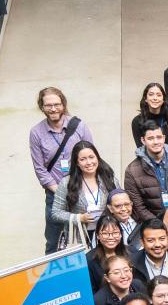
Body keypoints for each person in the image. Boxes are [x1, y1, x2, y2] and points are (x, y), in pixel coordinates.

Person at [31, 88, 97, 251]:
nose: (53, 109)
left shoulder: (79, 126)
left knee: (90, 238)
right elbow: (40, 169)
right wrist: (61, 191)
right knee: (55, 242)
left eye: (57, 104)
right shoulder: (36, 133)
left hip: (83, 189)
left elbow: (92, 157)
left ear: (63, 104)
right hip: (55, 194)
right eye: (48, 105)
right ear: (42, 107)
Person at [49, 141, 116, 249]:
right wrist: (79, 217)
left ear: (97, 158)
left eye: (91, 157)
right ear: (77, 163)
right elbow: (56, 213)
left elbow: (118, 202)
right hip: (79, 238)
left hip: (107, 235)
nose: (89, 162)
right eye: (83, 159)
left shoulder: (108, 178)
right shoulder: (67, 182)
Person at [125, 123, 168, 223]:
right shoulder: (132, 171)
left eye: (159, 137)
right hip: (153, 227)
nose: (156, 142)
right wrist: (158, 224)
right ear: (143, 140)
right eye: (151, 138)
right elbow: (138, 206)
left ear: (164, 138)